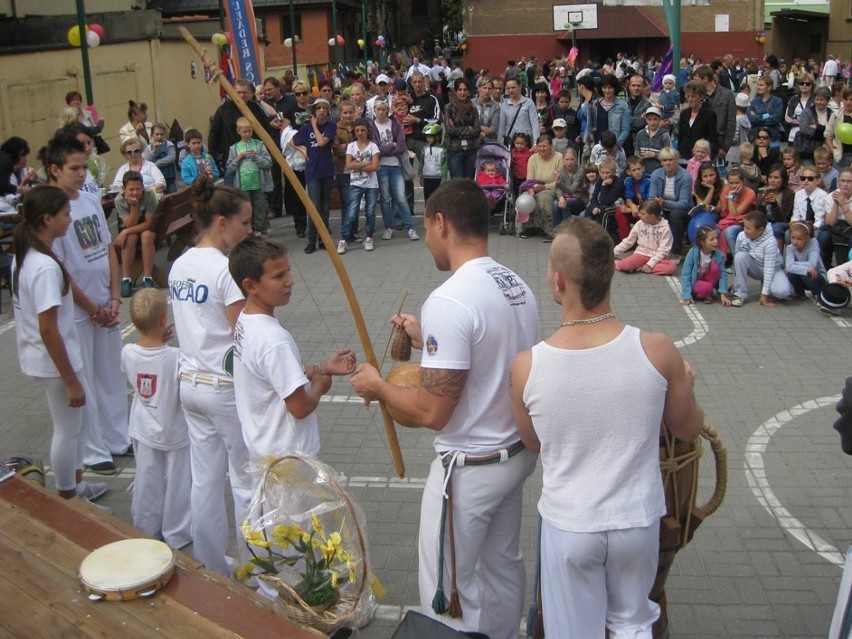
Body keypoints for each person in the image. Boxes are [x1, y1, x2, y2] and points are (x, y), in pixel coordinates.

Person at [350, 179, 539, 639]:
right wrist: (425, 341)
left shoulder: (451, 297)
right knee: (501, 569)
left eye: (428, 228)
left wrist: (378, 386)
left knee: (447, 590)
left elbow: (433, 411)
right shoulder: (515, 283)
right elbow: (489, 351)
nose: (428, 241)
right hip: (513, 456)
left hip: (470, 468)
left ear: (441, 223)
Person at [508, 216, 702, 638]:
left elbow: (533, 442)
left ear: (558, 283)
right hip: (637, 520)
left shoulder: (528, 367)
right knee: (634, 625)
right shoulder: (658, 350)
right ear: (612, 272)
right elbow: (688, 429)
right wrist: (682, 383)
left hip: (571, 522)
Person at [229, 237, 355, 597]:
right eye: (278, 275)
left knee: (283, 539)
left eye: (288, 272)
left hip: (267, 451)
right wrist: (320, 385)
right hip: (288, 459)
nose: (289, 281)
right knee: (295, 544)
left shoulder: (249, 321)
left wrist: (318, 366)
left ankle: (286, 597)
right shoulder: (272, 338)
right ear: (250, 286)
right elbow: (299, 405)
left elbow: (275, 378)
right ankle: (293, 606)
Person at [168, 174, 253, 576]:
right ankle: (255, 571)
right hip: (223, 388)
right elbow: (243, 334)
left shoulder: (180, 264)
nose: (249, 230)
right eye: (244, 223)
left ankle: (211, 563)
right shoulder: (225, 269)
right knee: (243, 479)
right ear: (221, 222)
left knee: (204, 479)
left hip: (190, 383)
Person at [12, 186, 107, 505]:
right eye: (65, 214)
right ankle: (68, 497)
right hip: (55, 362)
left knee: (77, 425)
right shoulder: (43, 266)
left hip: (54, 357)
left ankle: (76, 487)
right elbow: (48, 328)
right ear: (47, 218)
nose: (70, 219)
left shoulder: (31, 255)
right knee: (68, 429)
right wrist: (70, 380)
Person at [46, 136, 130, 477]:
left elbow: (107, 247)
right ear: (54, 170)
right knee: (87, 379)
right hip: (78, 310)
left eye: (85, 167)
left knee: (111, 373)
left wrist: (113, 296)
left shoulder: (91, 200)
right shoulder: (51, 211)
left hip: (103, 302)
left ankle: (118, 437)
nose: (82, 174)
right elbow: (62, 269)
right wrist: (92, 308)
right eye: (74, 168)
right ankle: (94, 450)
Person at [121, 288, 192, 548]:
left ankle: (145, 526)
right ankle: (177, 532)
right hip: (173, 428)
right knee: (178, 482)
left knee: (147, 478)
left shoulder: (127, 351)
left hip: (143, 427)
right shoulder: (176, 357)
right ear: (164, 321)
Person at [291, 98, 337, 254]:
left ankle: (323, 239)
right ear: (314, 111)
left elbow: (322, 142)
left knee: (324, 207)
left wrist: (315, 126)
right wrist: (303, 150)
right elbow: (292, 141)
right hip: (312, 171)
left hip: (327, 170)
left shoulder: (330, 127)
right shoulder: (305, 128)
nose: (322, 111)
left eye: (325, 109)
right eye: (319, 109)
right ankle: (311, 240)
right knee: (314, 207)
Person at [370, 99, 419, 242]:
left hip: (395, 166)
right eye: (378, 109)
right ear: (374, 110)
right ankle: (388, 227)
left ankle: (410, 227)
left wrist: (386, 148)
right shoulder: (371, 126)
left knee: (401, 197)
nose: (380, 112)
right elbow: (375, 148)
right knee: (385, 199)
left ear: (387, 110)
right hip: (380, 167)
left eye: (383, 109)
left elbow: (402, 146)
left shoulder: (396, 124)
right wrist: (392, 145)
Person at [730, 210, 793, 307]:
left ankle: (768, 286)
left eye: (749, 228)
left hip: (773, 269)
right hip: (755, 266)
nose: (745, 231)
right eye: (744, 227)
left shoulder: (770, 242)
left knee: (782, 292)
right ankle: (739, 294)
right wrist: (736, 282)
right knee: (739, 256)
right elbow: (737, 261)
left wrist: (764, 295)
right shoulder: (741, 236)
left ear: (761, 230)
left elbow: (769, 268)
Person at [208, 79, 273, 173]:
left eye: (244, 92)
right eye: (239, 92)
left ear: (250, 93)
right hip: (232, 160)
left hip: (254, 160)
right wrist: (213, 156)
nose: (242, 95)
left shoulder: (256, 109)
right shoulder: (223, 110)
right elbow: (214, 134)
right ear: (233, 93)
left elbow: (266, 130)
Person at [338, 118, 380, 255]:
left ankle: (369, 237)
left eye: (363, 130)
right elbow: (349, 165)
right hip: (356, 183)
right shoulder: (351, 146)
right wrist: (365, 163)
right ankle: (343, 238)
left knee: (370, 211)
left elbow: (375, 166)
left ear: (367, 131)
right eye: (357, 130)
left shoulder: (373, 146)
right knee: (351, 212)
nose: (360, 133)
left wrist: (358, 164)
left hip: (371, 185)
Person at [114, 170, 158, 297]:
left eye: (138, 189)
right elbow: (129, 224)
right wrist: (134, 206)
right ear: (123, 189)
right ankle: (126, 279)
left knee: (146, 236)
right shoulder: (119, 200)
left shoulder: (149, 195)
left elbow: (148, 223)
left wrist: (125, 231)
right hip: (133, 229)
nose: (135, 192)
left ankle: (148, 277)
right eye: (131, 189)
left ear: (143, 187)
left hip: (148, 228)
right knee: (130, 238)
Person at [226, 117, 273, 236]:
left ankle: (261, 229)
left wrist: (256, 157)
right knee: (245, 208)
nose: (247, 134)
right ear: (238, 132)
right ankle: (248, 230)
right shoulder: (234, 148)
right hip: (242, 185)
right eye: (244, 132)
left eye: (249, 131)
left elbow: (268, 163)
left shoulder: (259, 144)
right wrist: (237, 159)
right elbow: (229, 169)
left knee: (260, 206)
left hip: (258, 182)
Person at [613, 199, 677, 275]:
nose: (639, 215)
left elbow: (663, 250)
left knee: (671, 268)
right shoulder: (639, 224)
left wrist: (650, 264)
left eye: (643, 214)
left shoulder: (665, 228)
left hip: (658, 258)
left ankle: (640, 267)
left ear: (652, 216)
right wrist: (613, 252)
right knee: (625, 265)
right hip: (641, 254)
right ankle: (642, 267)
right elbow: (628, 241)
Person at [650, 147, 693, 258]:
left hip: (683, 211)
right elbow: (651, 197)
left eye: (671, 160)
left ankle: (675, 251)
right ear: (661, 162)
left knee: (675, 214)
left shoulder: (685, 177)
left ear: (677, 160)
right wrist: (656, 202)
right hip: (662, 207)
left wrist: (664, 203)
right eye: (664, 160)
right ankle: (652, 247)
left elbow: (684, 203)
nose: (668, 163)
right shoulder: (655, 174)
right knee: (650, 211)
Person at [519, 134, 563, 240]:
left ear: (551, 146)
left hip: (552, 188)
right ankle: (529, 228)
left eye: (544, 146)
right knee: (524, 199)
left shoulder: (559, 157)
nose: (541, 149)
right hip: (534, 186)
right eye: (539, 146)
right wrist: (530, 191)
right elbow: (529, 180)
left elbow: (560, 181)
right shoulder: (533, 159)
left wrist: (544, 187)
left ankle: (549, 229)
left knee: (542, 197)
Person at [694, 65, 737, 162]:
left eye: (696, 80)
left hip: (718, 144)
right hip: (700, 146)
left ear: (705, 79)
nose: (695, 83)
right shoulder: (698, 95)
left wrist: (725, 147)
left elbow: (731, 123)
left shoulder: (727, 95)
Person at [681, 225, 731, 305]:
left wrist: (723, 293)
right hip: (696, 283)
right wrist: (687, 296)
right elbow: (685, 275)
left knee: (715, 267)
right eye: (712, 239)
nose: (716, 241)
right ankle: (705, 293)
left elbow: (722, 275)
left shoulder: (719, 255)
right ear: (702, 242)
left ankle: (708, 293)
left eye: (716, 238)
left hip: (709, 282)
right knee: (707, 287)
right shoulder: (692, 253)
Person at [444, 78, 481, 179]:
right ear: (455, 91)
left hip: (471, 150)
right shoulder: (449, 108)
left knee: (468, 183)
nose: (462, 92)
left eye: (465, 90)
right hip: (454, 150)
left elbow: (477, 131)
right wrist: (468, 128)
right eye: (460, 90)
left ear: (469, 91)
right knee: (457, 183)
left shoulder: (473, 109)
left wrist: (457, 127)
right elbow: (449, 130)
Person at [718, 168, 758, 256]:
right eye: (731, 183)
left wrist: (730, 196)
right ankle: (718, 260)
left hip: (743, 222)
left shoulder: (750, 193)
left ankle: (736, 259)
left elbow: (734, 214)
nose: (734, 186)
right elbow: (724, 212)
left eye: (737, 183)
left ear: (743, 181)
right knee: (714, 231)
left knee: (729, 232)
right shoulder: (726, 189)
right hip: (728, 221)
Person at [280, 115, 307, 238]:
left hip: (311, 167)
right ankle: (300, 226)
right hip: (295, 168)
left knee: (315, 198)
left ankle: (320, 225)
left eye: (304, 93)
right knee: (297, 198)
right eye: (298, 94)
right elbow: (286, 148)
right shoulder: (290, 132)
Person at [678, 80, 719, 162]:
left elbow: (713, 140)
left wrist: (707, 158)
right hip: (684, 157)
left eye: (693, 96)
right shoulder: (684, 113)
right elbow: (681, 136)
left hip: (701, 159)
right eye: (688, 96)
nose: (690, 99)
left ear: (701, 96)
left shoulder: (709, 115)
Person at [785, 221, 827, 302]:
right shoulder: (790, 247)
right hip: (805, 275)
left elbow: (812, 264)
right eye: (793, 238)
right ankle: (800, 293)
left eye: (799, 239)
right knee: (794, 272)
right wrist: (806, 268)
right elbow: (789, 267)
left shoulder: (813, 245)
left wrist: (793, 265)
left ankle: (818, 295)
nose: (795, 241)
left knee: (806, 273)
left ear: (807, 238)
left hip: (818, 277)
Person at [497, 78, 538, 147]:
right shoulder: (504, 105)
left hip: (526, 141)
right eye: (508, 88)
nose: (511, 90)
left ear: (520, 87)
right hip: (511, 142)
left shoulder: (529, 103)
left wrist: (536, 142)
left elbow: (534, 123)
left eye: (513, 87)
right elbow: (502, 127)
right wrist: (500, 145)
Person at [747, 77, 784, 147]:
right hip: (757, 138)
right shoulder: (753, 102)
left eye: (761, 85)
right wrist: (767, 115)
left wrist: (757, 117)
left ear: (769, 87)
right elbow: (751, 119)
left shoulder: (777, 101)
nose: (758, 87)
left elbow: (776, 118)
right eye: (757, 85)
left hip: (772, 137)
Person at [634, 107, 670, 175]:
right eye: (649, 119)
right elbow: (637, 149)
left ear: (660, 119)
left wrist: (654, 155)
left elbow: (669, 155)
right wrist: (638, 158)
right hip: (643, 171)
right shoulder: (640, 134)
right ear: (646, 119)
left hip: (659, 171)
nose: (652, 122)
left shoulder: (664, 135)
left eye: (655, 119)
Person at [144, 123, 177, 194]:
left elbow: (171, 158)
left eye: (162, 134)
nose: (159, 137)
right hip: (155, 180)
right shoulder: (148, 148)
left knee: (173, 196)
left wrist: (156, 164)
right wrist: (154, 151)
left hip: (169, 177)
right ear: (152, 135)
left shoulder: (169, 145)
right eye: (157, 134)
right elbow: (148, 162)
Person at [824, 86, 852, 171]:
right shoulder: (835, 115)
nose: (848, 102)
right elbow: (828, 136)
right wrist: (833, 152)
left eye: (851, 99)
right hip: (840, 157)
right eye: (846, 99)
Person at [419, 123, 448, 203]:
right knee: (427, 198)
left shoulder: (442, 150)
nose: (428, 139)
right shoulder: (424, 149)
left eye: (430, 137)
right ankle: (427, 212)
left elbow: (444, 165)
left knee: (438, 198)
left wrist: (444, 178)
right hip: (427, 178)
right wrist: (421, 175)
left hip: (437, 178)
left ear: (437, 137)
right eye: (427, 137)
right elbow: (421, 162)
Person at [727, 93, 753, 165]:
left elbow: (734, 138)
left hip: (735, 152)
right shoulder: (745, 118)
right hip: (744, 150)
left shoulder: (736, 120)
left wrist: (727, 141)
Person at [474, 77, 500, 144]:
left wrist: (478, 129)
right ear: (479, 89)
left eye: (489, 88)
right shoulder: (471, 103)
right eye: (484, 88)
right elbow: (468, 124)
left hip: (490, 142)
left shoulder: (496, 106)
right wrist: (480, 129)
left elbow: (493, 128)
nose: (487, 91)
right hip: (473, 141)